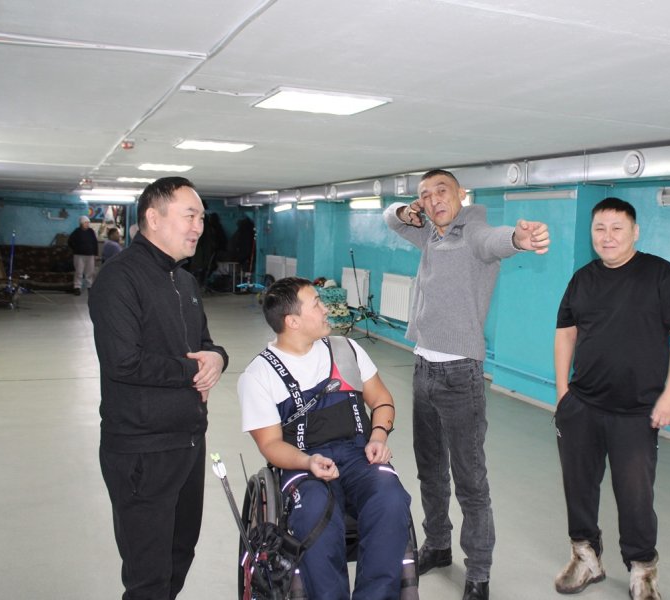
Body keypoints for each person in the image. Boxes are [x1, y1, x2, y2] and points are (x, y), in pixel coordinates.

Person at [383, 169, 551, 600]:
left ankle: (478, 571)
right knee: (430, 470)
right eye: (425, 195)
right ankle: (438, 545)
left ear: (461, 194)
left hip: (460, 375)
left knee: (470, 480)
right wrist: (405, 210)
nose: (434, 199)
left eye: (442, 191)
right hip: (422, 368)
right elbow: (390, 219)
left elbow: (495, 240)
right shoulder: (429, 235)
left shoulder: (472, 232)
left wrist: (519, 238)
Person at [88, 176, 228, 600]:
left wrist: (219, 359)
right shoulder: (119, 279)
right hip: (143, 450)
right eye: (190, 216)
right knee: (148, 576)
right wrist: (193, 371)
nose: (199, 227)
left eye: (201, 218)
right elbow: (122, 361)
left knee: (178, 556)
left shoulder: (184, 281)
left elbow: (204, 344)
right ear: (153, 217)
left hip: (188, 441)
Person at [553, 197, 670, 600]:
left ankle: (642, 568)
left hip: (636, 411)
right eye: (600, 228)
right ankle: (585, 557)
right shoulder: (582, 279)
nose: (608, 236)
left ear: (635, 232)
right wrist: (563, 394)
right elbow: (566, 333)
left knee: (635, 496)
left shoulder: (661, 275)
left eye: (617, 228)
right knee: (578, 487)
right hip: (582, 405)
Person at [238, 277, 412, 600]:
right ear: (292, 321)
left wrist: (378, 436)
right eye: (316, 304)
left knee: (391, 498)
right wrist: (308, 462)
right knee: (315, 512)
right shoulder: (259, 375)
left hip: (359, 455)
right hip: (303, 465)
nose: (326, 309)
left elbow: (382, 399)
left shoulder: (347, 350)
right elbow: (271, 445)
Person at [68, 214, 98, 295]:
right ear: (81, 223)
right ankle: (77, 287)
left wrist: (95, 253)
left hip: (90, 255)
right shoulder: (77, 232)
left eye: (88, 223)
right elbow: (70, 241)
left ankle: (90, 286)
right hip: (79, 255)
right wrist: (76, 249)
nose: (87, 224)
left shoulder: (91, 231)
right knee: (79, 271)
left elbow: (95, 243)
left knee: (90, 272)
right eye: (85, 223)